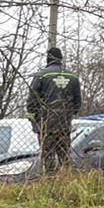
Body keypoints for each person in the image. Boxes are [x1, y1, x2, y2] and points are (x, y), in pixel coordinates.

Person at [26, 47, 82, 175]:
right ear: (61, 59)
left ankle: (50, 180)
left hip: (46, 125)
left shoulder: (41, 76)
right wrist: (68, 115)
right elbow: (77, 102)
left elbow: (32, 100)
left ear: (48, 59)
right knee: (64, 157)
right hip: (64, 125)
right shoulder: (72, 77)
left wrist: (34, 121)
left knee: (48, 157)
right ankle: (65, 181)